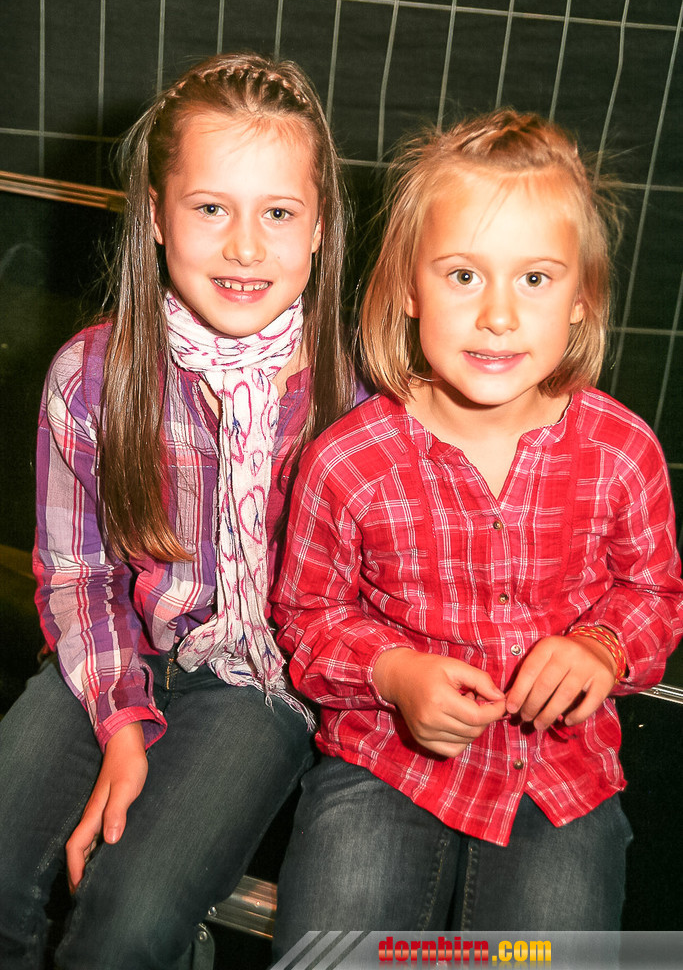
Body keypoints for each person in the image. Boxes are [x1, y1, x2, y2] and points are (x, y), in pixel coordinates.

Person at [270, 109, 683, 952]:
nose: (497, 315)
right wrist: (394, 673)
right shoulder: (345, 461)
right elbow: (307, 618)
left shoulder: (622, 451)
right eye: (463, 275)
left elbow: (654, 593)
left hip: (558, 773)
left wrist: (601, 646)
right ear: (407, 290)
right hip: (383, 760)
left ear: (580, 299)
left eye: (534, 279)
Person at [0, 52, 355, 970]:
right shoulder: (90, 375)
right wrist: (121, 723)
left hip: (260, 687)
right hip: (112, 645)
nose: (245, 248)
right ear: (156, 215)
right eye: (210, 209)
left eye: (278, 213)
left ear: (320, 225)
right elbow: (79, 574)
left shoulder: (358, 398)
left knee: (128, 924)